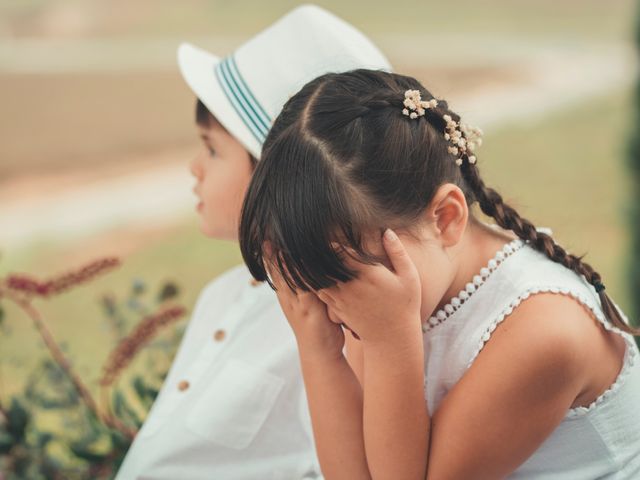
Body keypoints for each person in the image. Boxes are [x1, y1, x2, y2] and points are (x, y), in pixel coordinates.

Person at [239, 69, 640, 479]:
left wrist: (391, 342)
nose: (333, 306)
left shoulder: (546, 331)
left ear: (446, 218)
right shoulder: (375, 291)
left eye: (339, 278)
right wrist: (319, 353)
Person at [115, 7, 391, 480]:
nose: (194, 168)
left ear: (278, 178)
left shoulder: (333, 327)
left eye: (213, 149)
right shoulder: (221, 294)